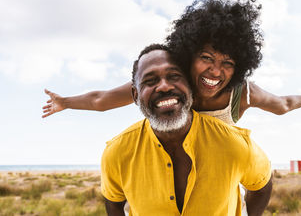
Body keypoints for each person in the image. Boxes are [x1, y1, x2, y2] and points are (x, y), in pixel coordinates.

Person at [42, 0, 301, 125]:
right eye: (207, 58)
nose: (215, 71)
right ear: (189, 54)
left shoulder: (242, 93)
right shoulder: (173, 85)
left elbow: (282, 104)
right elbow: (101, 100)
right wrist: (65, 103)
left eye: (227, 63)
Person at [101, 44, 272, 216]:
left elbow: (262, 185)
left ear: (190, 86)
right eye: (150, 81)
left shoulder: (234, 144)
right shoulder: (117, 152)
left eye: (175, 76)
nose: (164, 87)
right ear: (136, 95)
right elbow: (113, 203)